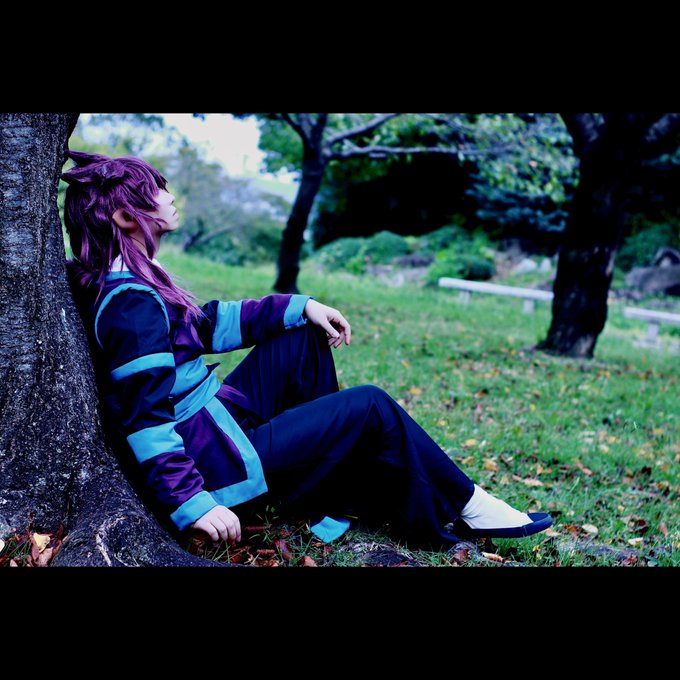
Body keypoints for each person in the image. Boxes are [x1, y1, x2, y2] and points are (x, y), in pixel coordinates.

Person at [61, 150, 553, 554]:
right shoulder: (129, 303)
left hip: (214, 426)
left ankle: (329, 486)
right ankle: (468, 505)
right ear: (125, 217)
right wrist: (193, 504)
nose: (168, 196)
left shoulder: (131, 283)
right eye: (156, 189)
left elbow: (203, 326)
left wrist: (300, 307)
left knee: (301, 336)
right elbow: (144, 420)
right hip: (213, 466)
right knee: (370, 404)